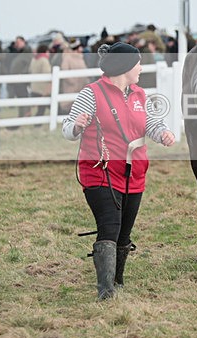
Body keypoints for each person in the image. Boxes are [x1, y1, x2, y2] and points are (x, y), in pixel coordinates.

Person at [62, 42, 175, 300]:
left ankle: (117, 280)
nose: (141, 68)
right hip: (100, 172)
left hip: (133, 174)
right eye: (138, 63)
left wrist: (163, 133)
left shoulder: (140, 95)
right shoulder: (91, 93)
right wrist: (76, 126)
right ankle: (106, 291)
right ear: (125, 66)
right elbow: (67, 129)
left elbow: (152, 123)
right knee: (110, 225)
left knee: (124, 232)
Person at [29, 44, 52, 117]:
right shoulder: (44, 60)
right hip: (42, 89)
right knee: (43, 108)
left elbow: (30, 70)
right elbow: (47, 73)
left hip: (34, 87)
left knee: (41, 108)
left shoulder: (34, 59)